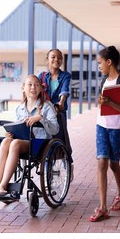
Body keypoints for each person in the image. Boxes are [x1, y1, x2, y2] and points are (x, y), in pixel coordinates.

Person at [0, 74, 59, 196]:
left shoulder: (47, 106)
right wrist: (11, 133)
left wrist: (41, 118)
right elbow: (19, 128)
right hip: (23, 141)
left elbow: (55, 130)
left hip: (40, 143)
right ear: (23, 88)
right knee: (6, 141)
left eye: (36, 85)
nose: (33, 87)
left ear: (40, 89)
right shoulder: (19, 108)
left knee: (15, 143)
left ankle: (3, 185)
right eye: (30, 84)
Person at [89, 46, 120, 222]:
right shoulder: (104, 81)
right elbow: (102, 105)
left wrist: (111, 102)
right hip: (101, 126)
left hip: (117, 130)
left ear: (109, 62)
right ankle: (102, 207)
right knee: (102, 162)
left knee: (114, 165)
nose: (99, 66)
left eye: (100, 63)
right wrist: (102, 102)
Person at [38, 49, 74, 181]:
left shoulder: (65, 76)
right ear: (47, 59)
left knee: (62, 139)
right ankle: (48, 169)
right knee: (46, 139)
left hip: (59, 112)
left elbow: (64, 90)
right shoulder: (42, 76)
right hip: (45, 113)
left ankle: (68, 163)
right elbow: (36, 90)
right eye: (53, 57)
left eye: (59, 58)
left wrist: (61, 102)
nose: (56, 60)